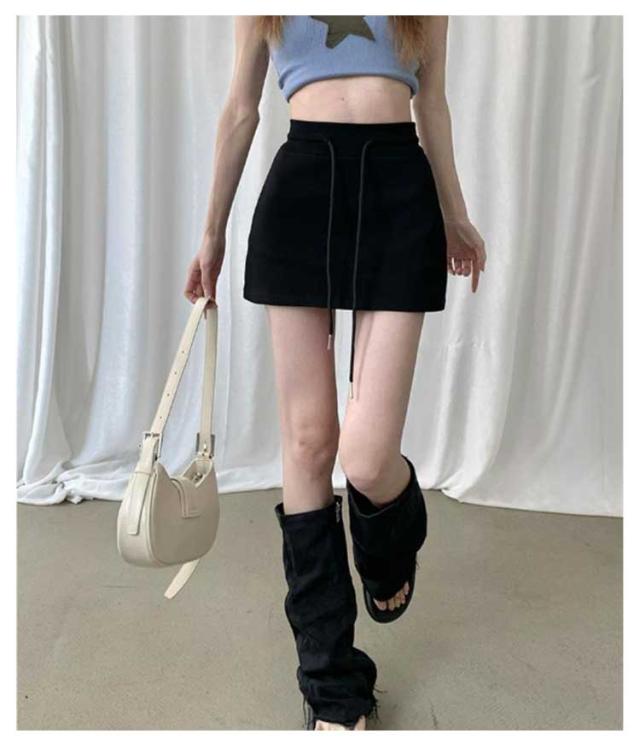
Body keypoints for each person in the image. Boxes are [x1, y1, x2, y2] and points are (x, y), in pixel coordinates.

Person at [184, 15, 486, 731]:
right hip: (302, 187)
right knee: (310, 441)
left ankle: (390, 546)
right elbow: (241, 108)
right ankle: (330, 683)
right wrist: (211, 233)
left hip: (398, 190)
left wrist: (456, 214)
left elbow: (432, 103)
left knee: (368, 455)